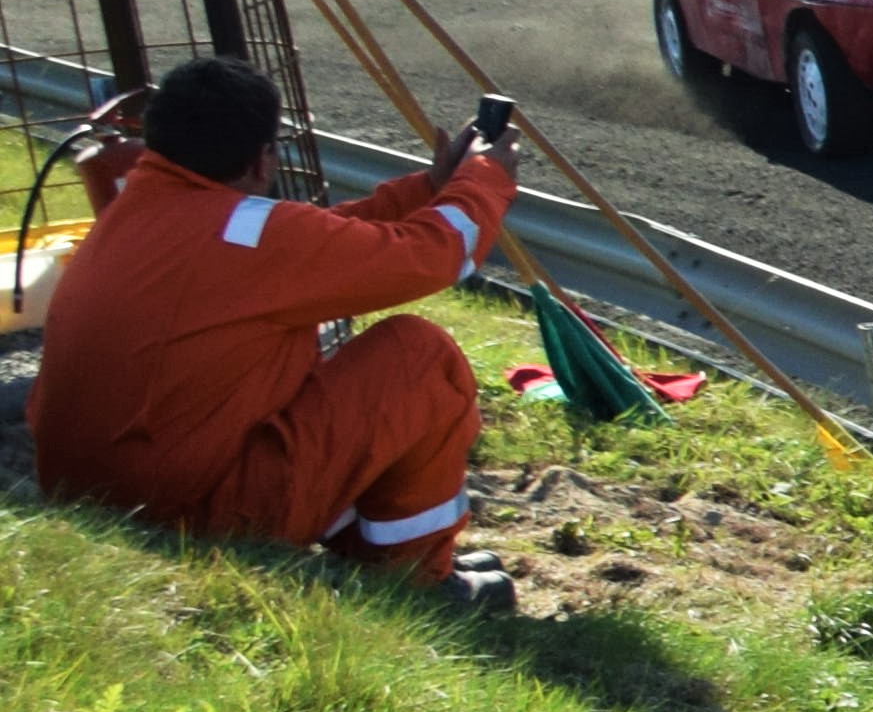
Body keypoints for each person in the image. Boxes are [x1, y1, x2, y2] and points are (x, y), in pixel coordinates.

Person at [33, 57, 518, 586]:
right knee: (419, 358)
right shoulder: (250, 236)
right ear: (262, 159)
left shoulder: (135, 214)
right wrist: (485, 178)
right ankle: (415, 579)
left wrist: (431, 188)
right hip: (190, 514)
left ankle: (374, 542)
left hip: (97, 491)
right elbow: (436, 254)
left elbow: (322, 244)